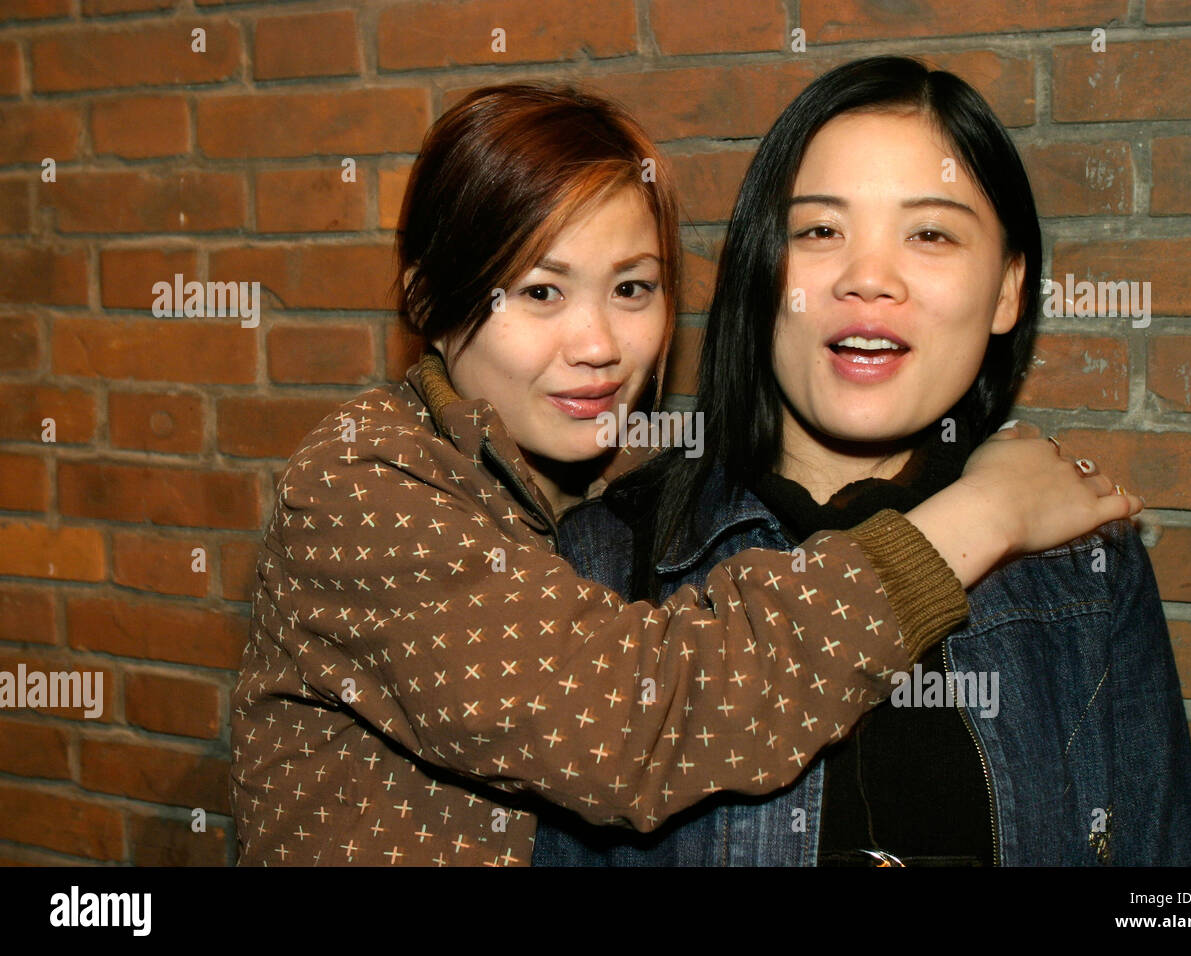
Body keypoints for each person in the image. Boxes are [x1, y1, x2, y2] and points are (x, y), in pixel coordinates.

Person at [230, 81, 1142, 867]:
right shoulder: (363, 484)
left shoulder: (568, 500)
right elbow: (638, 724)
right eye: (541, 291)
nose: (598, 348)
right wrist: (981, 516)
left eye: (632, 288)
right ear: (428, 300)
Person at [531, 57, 1191, 866]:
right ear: (761, 271)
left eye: (929, 233)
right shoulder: (603, 561)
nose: (867, 280)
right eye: (820, 231)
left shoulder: (1086, 568)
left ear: (1007, 292)